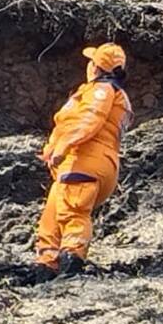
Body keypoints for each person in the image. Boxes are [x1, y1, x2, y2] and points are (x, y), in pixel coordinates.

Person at [36, 42, 134, 276]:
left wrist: (64, 146)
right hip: (86, 164)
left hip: (85, 160)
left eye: (92, 62)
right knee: (51, 221)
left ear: (97, 67)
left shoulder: (102, 91)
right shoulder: (113, 94)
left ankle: (71, 266)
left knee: (72, 213)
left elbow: (89, 119)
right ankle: (46, 269)